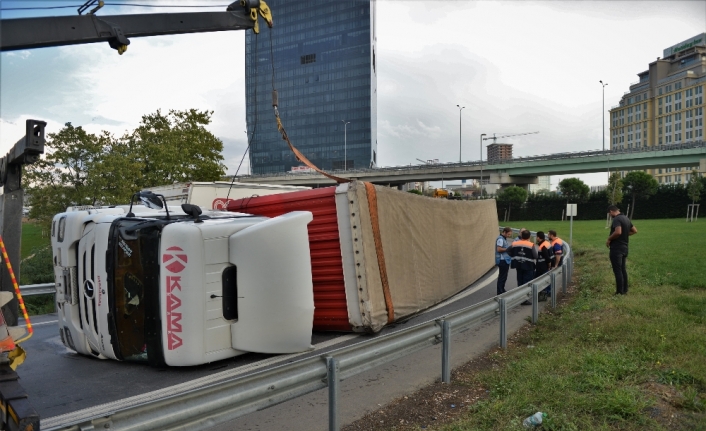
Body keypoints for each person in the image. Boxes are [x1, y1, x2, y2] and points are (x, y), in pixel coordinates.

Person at [606, 205, 637, 295]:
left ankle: (619, 292)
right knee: (623, 269)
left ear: (611, 211)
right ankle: (625, 290)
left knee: (618, 270)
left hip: (617, 248)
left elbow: (618, 232)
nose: (609, 215)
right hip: (625, 247)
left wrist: (609, 239)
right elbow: (634, 230)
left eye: (609, 213)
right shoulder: (626, 218)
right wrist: (624, 235)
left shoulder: (617, 219)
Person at [509, 230, 538, 305]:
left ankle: (520, 297)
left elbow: (508, 251)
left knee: (520, 281)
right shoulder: (531, 245)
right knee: (526, 283)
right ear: (529, 237)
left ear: (521, 236)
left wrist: (514, 256)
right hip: (528, 266)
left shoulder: (515, 243)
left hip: (518, 265)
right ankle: (524, 299)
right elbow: (535, 256)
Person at [535, 231, 553, 301]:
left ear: (539, 238)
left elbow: (547, 257)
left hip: (543, 266)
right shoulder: (547, 243)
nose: (536, 238)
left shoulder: (543, 246)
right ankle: (548, 292)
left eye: (536, 237)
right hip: (544, 266)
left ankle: (544, 294)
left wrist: (548, 265)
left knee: (543, 280)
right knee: (546, 279)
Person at [496, 227, 513, 295]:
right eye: (508, 234)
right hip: (502, 260)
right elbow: (499, 249)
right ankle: (500, 291)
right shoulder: (500, 239)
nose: (509, 236)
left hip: (505, 260)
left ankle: (502, 289)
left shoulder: (503, 238)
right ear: (504, 232)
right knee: (502, 276)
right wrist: (507, 249)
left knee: (504, 276)